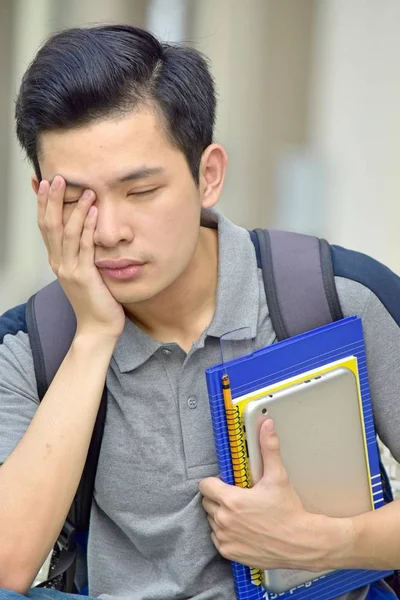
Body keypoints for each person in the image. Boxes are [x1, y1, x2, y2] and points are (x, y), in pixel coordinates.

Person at [0, 24, 399, 600]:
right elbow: (9, 566)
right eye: (75, 200)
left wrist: (323, 543)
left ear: (207, 175)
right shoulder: (28, 347)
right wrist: (93, 335)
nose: (110, 231)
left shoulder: (337, 296)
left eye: (140, 192)